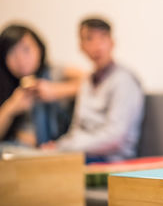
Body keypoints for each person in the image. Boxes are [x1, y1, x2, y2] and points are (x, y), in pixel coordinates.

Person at [42, 18, 144, 163]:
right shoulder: (86, 81)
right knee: (37, 161)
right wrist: (58, 146)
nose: (97, 46)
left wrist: (64, 148)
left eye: (102, 38)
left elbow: (115, 138)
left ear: (112, 43)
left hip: (112, 160)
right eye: (89, 39)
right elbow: (77, 129)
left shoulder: (124, 80)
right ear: (81, 46)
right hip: (82, 156)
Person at [0, 24, 82, 147]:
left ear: (39, 48)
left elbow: (93, 82)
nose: (21, 60)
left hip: (55, 149)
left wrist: (56, 91)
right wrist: (10, 107)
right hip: (14, 152)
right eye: (11, 53)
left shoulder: (54, 72)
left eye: (26, 50)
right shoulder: (5, 83)